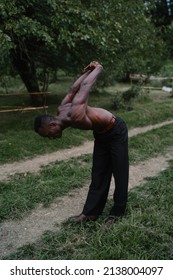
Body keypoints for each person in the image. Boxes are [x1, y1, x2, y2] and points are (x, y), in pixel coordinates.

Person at [34, 61, 129, 225]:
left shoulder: (75, 114)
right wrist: (86, 71)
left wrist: (98, 68)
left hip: (116, 130)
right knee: (98, 173)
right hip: (101, 134)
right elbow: (72, 89)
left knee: (120, 172)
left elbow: (84, 87)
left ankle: (117, 213)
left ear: (52, 125)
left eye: (49, 135)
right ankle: (90, 213)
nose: (51, 138)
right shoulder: (62, 109)